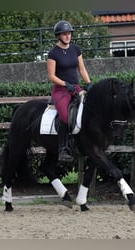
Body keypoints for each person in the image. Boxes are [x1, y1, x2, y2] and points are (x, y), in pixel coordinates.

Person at [47, 20, 92, 162]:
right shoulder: (53, 53)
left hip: (76, 87)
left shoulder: (76, 49)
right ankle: (63, 149)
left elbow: (82, 69)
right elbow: (51, 76)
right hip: (61, 90)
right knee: (66, 117)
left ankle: (84, 143)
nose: (68, 36)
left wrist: (89, 83)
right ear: (58, 36)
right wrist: (66, 84)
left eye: (69, 33)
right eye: (64, 34)